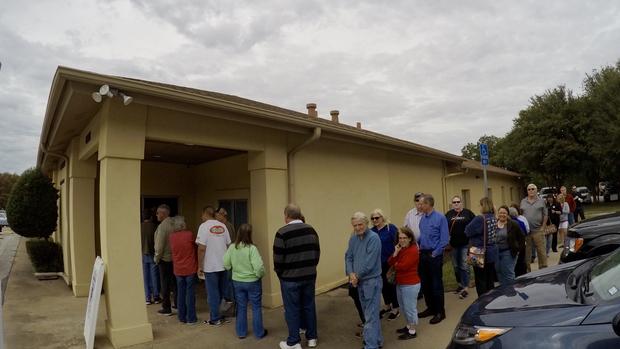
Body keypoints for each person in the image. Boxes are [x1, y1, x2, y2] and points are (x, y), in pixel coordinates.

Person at [274, 204, 320, 349]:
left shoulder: (282, 233)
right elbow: (317, 253)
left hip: (289, 279)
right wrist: (310, 268)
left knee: (292, 309)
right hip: (309, 275)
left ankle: (294, 341)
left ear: (286, 216)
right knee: (309, 306)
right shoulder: (311, 230)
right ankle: (312, 338)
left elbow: (278, 259)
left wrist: (281, 274)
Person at [345, 211, 383, 349]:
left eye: (360, 224)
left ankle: (370, 345)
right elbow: (348, 257)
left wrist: (356, 276)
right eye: (354, 225)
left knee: (371, 316)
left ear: (367, 224)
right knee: (370, 315)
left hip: (371, 282)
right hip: (358, 281)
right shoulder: (353, 238)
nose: (357, 228)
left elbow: (370, 263)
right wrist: (351, 274)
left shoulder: (374, 238)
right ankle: (377, 341)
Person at [223, 223, 268, 340]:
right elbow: (258, 267)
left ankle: (241, 333)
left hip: (237, 282)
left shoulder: (232, 247)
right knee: (256, 307)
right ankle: (259, 333)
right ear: (250, 234)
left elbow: (226, 264)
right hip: (253, 281)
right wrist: (260, 275)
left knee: (241, 307)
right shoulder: (252, 248)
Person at [196, 206, 231, 326]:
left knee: (212, 293)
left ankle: (215, 318)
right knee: (221, 292)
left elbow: (201, 248)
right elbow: (228, 245)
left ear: (205, 214)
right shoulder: (223, 226)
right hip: (224, 265)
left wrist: (200, 266)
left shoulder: (203, 226)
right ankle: (221, 316)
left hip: (210, 266)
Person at [417, 194, 449, 324]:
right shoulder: (423, 218)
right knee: (425, 284)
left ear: (428, 204)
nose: (419, 206)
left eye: (421, 203)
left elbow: (445, 239)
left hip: (434, 255)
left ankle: (440, 312)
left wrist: (435, 253)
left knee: (436, 284)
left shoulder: (440, 218)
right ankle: (430, 308)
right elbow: (422, 236)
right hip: (423, 254)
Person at [387, 226, 420, 340]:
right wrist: (396, 252)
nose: (401, 240)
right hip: (400, 283)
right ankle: (408, 326)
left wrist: (395, 264)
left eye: (404, 238)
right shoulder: (401, 249)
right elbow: (390, 261)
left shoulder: (413, 250)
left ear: (410, 238)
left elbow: (403, 267)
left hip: (410, 284)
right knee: (403, 307)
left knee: (410, 308)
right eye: (400, 238)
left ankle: (412, 331)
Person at [369, 209, 400, 320]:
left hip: (390, 262)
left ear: (382, 217)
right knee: (382, 286)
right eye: (372, 218)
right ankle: (387, 305)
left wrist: (396, 258)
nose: (374, 220)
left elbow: (398, 243)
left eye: (377, 217)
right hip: (377, 263)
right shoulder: (371, 231)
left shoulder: (390, 228)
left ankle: (396, 308)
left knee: (391, 284)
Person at [465, 197, 498, 297]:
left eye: (480, 204)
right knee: (489, 279)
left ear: (483, 205)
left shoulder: (480, 218)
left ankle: (482, 303)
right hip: (491, 251)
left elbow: (467, 231)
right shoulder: (493, 217)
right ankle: (491, 300)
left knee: (480, 280)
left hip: (478, 251)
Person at [445, 195, 476, 299]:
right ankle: (460, 284)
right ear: (452, 204)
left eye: (458, 202)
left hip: (465, 244)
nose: (456, 204)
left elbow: (475, 224)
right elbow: (444, 228)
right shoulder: (448, 214)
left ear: (461, 202)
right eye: (454, 202)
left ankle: (466, 287)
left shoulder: (468, 213)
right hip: (453, 245)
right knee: (456, 266)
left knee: (463, 265)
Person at [168, 216, 198, 324]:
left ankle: (182, 317)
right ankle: (191, 318)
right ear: (182, 224)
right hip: (190, 267)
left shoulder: (171, 237)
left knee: (180, 293)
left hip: (178, 268)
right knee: (190, 294)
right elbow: (195, 247)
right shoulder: (189, 234)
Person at [154, 204, 176, 316]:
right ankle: (177, 303)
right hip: (176, 258)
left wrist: (156, 258)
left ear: (163, 213)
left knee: (165, 285)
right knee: (175, 283)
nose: (156, 215)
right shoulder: (175, 224)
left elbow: (159, 246)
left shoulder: (163, 226)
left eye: (158, 212)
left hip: (165, 259)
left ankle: (166, 307)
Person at [520, 184, 548, 272]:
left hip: (538, 230)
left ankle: (543, 271)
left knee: (541, 252)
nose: (531, 191)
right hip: (526, 232)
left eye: (532, 189)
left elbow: (545, 215)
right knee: (527, 253)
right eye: (529, 189)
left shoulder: (541, 201)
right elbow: (520, 214)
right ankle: (527, 271)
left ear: (536, 190)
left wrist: (543, 227)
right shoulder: (523, 201)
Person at [495, 206, 525, 286]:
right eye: (500, 213)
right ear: (498, 214)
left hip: (508, 252)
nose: (502, 215)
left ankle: (512, 293)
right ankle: (504, 292)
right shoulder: (494, 224)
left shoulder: (513, 224)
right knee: (499, 272)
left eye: (504, 213)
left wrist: (518, 249)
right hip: (496, 253)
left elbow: (522, 237)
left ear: (507, 214)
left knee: (508, 274)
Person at [216, 207, 236, 308]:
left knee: (228, 283)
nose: (216, 217)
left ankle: (229, 306)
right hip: (229, 257)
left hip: (228, 258)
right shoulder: (229, 225)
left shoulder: (225, 227)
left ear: (222, 215)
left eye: (218, 214)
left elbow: (229, 243)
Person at [141, 208, 161, 305]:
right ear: (151, 216)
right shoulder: (155, 227)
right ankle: (156, 296)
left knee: (145, 276)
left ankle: (147, 298)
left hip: (142, 254)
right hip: (153, 253)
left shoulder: (139, 227)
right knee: (154, 276)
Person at [508, 206, 528, 277]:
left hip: (515, 246)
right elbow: (526, 232)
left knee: (516, 265)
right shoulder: (521, 222)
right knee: (522, 262)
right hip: (522, 245)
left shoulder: (510, 223)